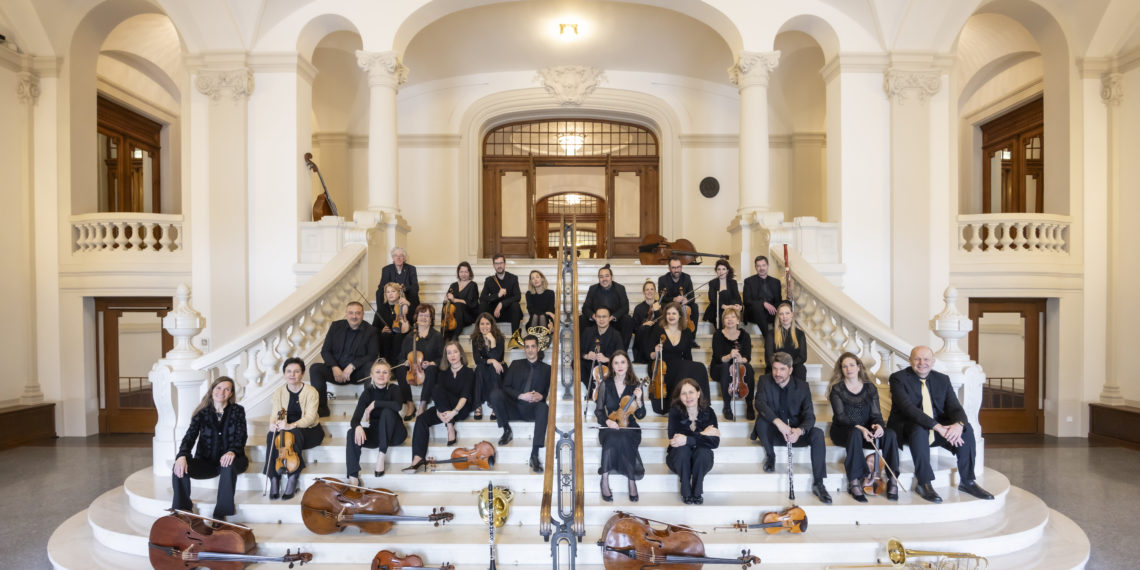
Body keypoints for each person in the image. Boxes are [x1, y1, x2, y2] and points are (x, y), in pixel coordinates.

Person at [888, 346, 993, 503]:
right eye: (917, 359)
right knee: (919, 428)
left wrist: (958, 424)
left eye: (926, 359)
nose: (922, 363)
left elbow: (955, 408)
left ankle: (967, 481)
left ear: (933, 361)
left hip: (937, 429)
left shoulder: (942, 379)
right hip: (908, 427)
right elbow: (909, 410)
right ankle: (924, 483)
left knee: (966, 429)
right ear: (910, 361)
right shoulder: (898, 378)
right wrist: (937, 426)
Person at [752, 352, 832, 504]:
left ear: (790, 370)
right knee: (761, 421)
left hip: (794, 434)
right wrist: (778, 423)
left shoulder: (802, 387)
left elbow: (810, 416)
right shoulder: (764, 380)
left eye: (782, 369)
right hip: (774, 433)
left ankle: (819, 483)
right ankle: (771, 456)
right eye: (775, 369)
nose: (777, 373)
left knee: (818, 433)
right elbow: (760, 404)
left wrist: (799, 431)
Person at [171, 376, 248, 521]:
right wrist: (181, 455)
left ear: (231, 394)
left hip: (235, 459)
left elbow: (241, 436)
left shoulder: (238, 411)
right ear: (212, 390)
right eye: (218, 388)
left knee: (228, 465)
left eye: (227, 389)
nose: (222, 392)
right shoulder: (202, 414)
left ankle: (220, 513)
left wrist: (232, 451)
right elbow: (189, 437)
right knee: (179, 465)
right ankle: (183, 510)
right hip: (207, 462)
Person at [828, 352, 900, 502]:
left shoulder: (870, 388)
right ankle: (854, 481)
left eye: (852, 365)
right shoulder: (837, 389)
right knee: (854, 432)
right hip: (844, 431)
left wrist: (878, 426)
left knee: (890, 434)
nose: (849, 369)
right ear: (841, 370)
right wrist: (861, 429)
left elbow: (876, 414)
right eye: (844, 366)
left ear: (859, 367)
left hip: (867, 431)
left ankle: (893, 478)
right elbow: (841, 418)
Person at [404, 341, 475, 472]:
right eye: (449, 352)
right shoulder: (443, 373)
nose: (452, 355)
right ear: (446, 356)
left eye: (455, 351)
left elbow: (464, 396)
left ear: (461, 354)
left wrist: (453, 413)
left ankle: (450, 428)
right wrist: (438, 412)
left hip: (460, 409)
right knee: (421, 419)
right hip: (443, 409)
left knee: (439, 391)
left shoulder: (468, 372)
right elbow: (438, 396)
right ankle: (417, 459)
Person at [487, 334, 549, 473]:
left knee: (544, 407)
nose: (530, 350)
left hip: (532, 409)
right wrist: (521, 396)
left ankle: (534, 454)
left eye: (533, 346)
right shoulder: (516, 364)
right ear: (524, 349)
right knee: (495, 394)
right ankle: (506, 430)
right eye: (527, 347)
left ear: (538, 348)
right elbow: (506, 387)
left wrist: (541, 396)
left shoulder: (547, 369)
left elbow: (544, 393)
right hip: (514, 406)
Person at [263, 358, 324, 500]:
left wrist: (291, 425)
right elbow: (274, 414)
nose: (292, 374)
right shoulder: (278, 392)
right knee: (270, 436)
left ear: (302, 374)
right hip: (286, 430)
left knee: (294, 433)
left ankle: (293, 478)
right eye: (289, 371)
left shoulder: (311, 391)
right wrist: (273, 424)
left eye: (296, 371)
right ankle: (274, 478)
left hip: (310, 431)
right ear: (284, 374)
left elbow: (310, 417)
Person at [312, 302, 380, 417]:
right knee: (315, 368)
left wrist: (352, 365)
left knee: (371, 367)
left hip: (358, 374)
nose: (354, 316)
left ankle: (370, 409)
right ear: (346, 314)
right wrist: (334, 367)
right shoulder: (335, 326)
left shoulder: (371, 331)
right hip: (336, 373)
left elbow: (372, 355)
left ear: (363, 314)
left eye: (358, 313)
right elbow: (325, 351)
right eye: (351, 313)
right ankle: (322, 408)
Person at [594, 351, 645, 502]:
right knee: (611, 437)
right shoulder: (606, 384)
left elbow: (641, 415)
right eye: (616, 363)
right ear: (612, 366)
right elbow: (598, 410)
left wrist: (640, 400)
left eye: (623, 362)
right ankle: (604, 478)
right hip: (610, 424)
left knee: (624, 436)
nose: (620, 366)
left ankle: (631, 480)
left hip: (630, 426)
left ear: (628, 364)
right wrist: (607, 422)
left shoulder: (635, 386)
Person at [345, 359, 406, 484]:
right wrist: (357, 427)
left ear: (389, 376)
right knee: (351, 432)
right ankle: (353, 477)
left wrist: (375, 404)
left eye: (385, 372)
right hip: (376, 434)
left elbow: (398, 406)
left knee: (387, 411)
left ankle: (381, 457)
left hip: (395, 434)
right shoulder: (367, 393)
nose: (381, 375)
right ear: (372, 375)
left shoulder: (394, 389)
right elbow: (355, 419)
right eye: (378, 372)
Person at [646, 302, 709, 414]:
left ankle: (703, 404)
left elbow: (688, 356)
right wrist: (655, 352)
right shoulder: (658, 329)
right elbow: (649, 355)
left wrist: (691, 370)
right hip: (662, 367)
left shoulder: (686, 332)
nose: (671, 316)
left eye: (674, 313)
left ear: (680, 315)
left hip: (680, 366)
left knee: (700, 367)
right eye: (668, 313)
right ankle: (675, 408)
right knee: (683, 368)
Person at [666, 378, 720, 504]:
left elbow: (714, 442)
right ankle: (686, 490)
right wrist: (703, 434)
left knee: (703, 452)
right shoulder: (675, 412)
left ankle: (697, 491)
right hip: (678, 460)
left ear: (698, 393)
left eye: (691, 392)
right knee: (682, 450)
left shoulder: (709, 412)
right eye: (683, 393)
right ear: (679, 396)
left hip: (701, 462)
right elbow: (674, 439)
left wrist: (687, 439)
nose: (688, 396)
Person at [393, 304, 444, 420]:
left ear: (431, 319)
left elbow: (442, 357)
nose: (423, 318)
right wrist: (405, 361)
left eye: (427, 316)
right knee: (400, 369)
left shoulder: (437, 336)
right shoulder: (410, 336)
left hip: (428, 369)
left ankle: (422, 404)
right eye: (421, 315)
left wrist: (432, 363)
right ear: (416, 317)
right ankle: (410, 404)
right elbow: (401, 356)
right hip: (413, 369)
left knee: (431, 369)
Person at [709, 307, 756, 421]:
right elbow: (718, 357)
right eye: (726, 317)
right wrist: (729, 356)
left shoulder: (744, 335)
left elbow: (747, 358)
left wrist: (741, 359)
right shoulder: (718, 335)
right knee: (726, 367)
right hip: (720, 367)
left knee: (749, 368)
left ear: (738, 320)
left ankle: (749, 404)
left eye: (733, 317)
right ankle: (727, 406)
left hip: (738, 368)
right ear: (723, 320)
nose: (729, 319)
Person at [580, 264, 632, 348]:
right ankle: (583, 351)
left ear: (611, 277)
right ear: (599, 278)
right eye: (601, 277)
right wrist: (594, 317)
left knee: (627, 320)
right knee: (582, 319)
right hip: (597, 320)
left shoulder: (620, 288)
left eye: (607, 276)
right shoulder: (593, 289)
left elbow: (625, 307)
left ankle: (622, 352)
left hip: (613, 321)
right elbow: (585, 308)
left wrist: (612, 317)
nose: (604, 279)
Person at [470, 312, 506, 421]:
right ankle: (478, 405)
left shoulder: (499, 338)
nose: (484, 327)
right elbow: (477, 360)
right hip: (483, 367)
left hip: (497, 369)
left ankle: (495, 404)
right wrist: (491, 360)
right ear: (478, 326)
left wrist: (493, 341)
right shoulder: (476, 339)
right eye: (482, 324)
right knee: (479, 368)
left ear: (492, 325)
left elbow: (498, 358)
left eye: (487, 324)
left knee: (493, 368)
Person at [581, 306, 623, 395]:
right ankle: (593, 389)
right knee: (577, 363)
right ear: (595, 318)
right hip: (590, 366)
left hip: (607, 367)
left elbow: (622, 356)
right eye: (599, 317)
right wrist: (587, 356)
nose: (601, 319)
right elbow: (579, 351)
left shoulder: (616, 335)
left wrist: (607, 359)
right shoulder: (587, 331)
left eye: (604, 317)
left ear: (609, 318)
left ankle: (605, 390)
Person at [479, 254, 523, 332]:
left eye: (501, 263)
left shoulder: (513, 278)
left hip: (509, 313)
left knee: (515, 305)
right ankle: (483, 334)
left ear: (505, 264)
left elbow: (518, 297)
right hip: (494, 314)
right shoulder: (489, 280)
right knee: (483, 304)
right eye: (496, 263)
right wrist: (497, 295)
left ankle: (515, 337)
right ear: (493, 265)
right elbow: (482, 298)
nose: (499, 266)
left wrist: (502, 304)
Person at [657, 258, 698, 341]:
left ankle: (691, 338)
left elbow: (692, 297)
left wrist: (687, 300)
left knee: (694, 307)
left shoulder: (687, 278)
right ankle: (664, 336)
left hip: (683, 305)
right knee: (660, 306)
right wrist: (673, 299)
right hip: (669, 304)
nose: (676, 270)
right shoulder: (662, 279)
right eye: (674, 268)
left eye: (679, 267)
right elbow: (662, 298)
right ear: (669, 268)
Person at [766, 301, 807, 380]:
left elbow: (803, 357)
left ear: (792, 314)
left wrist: (788, 366)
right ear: (778, 316)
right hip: (777, 367)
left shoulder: (800, 334)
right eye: (781, 314)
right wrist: (781, 367)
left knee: (801, 369)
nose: (785, 316)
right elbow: (769, 357)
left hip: (793, 367)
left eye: (787, 313)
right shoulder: (771, 334)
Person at [742, 255, 782, 332]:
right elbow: (746, 301)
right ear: (755, 267)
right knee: (758, 307)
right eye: (758, 266)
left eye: (763, 265)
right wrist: (763, 303)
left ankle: (781, 335)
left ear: (767, 266)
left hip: (771, 313)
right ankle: (767, 337)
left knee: (787, 303)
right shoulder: (749, 281)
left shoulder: (776, 282)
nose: (761, 268)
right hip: (754, 313)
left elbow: (778, 301)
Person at [442, 261, 479, 341]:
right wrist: (446, 300)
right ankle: (444, 334)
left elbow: (471, 303)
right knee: (445, 307)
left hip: (468, 314)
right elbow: (448, 300)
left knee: (458, 305)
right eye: (461, 271)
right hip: (454, 315)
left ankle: (455, 335)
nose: (463, 274)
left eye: (466, 271)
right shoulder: (453, 285)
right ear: (458, 273)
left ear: (470, 273)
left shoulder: (473, 285)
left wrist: (454, 300)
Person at [374, 283, 411, 363]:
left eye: (393, 291)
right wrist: (381, 330)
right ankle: (386, 364)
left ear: (399, 292)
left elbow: (412, 320)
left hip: (402, 333)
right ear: (385, 294)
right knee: (385, 335)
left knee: (399, 336)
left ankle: (398, 364)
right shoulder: (381, 308)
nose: (390, 294)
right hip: (387, 336)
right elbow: (374, 326)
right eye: (388, 292)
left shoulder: (405, 305)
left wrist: (408, 304)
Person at [377, 246, 420, 315]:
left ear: (404, 258)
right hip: (392, 293)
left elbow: (415, 286)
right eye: (395, 256)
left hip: (406, 293)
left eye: (401, 256)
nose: (398, 258)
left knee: (414, 293)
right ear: (393, 258)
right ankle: (381, 314)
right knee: (379, 292)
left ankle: (414, 315)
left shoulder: (411, 268)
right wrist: (392, 288)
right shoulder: (386, 269)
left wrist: (404, 288)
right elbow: (382, 285)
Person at [702, 259, 742, 329]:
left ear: (727, 271)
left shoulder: (733, 282)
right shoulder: (713, 282)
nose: (721, 272)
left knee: (731, 308)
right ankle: (722, 331)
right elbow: (712, 298)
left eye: (723, 269)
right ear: (716, 271)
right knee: (724, 293)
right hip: (716, 309)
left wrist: (739, 305)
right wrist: (723, 306)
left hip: (730, 309)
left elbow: (737, 297)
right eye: (719, 269)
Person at [630, 279, 661, 364]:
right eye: (647, 289)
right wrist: (644, 325)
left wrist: (657, 311)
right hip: (643, 339)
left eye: (652, 289)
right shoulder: (638, 308)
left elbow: (664, 324)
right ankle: (646, 356)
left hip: (656, 337)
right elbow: (634, 329)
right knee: (645, 328)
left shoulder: (661, 306)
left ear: (655, 292)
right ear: (643, 292)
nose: (649, 291)